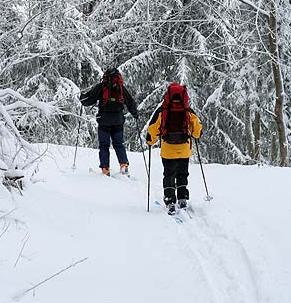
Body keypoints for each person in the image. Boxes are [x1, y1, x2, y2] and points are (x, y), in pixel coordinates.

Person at [146, 83, 202, 215]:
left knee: (169, 174)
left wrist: (150, 141)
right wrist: (196, 134)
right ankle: (182, 198)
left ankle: (170, 200)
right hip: (184, 149)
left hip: (168, 150)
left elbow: (153, 128)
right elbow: (196, 130)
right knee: (182, 173)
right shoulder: (188, 110)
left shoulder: (162, 110)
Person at [80, 68, 138, 176]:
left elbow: (88, 100)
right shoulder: (121, 88)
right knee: (119, 144)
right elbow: (130, 102)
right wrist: (135, 114)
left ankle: (105, 169)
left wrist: (82, 98)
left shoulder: (101, 87)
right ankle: (124, 164)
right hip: (118, 121)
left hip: (104, 121)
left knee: (104, 146)